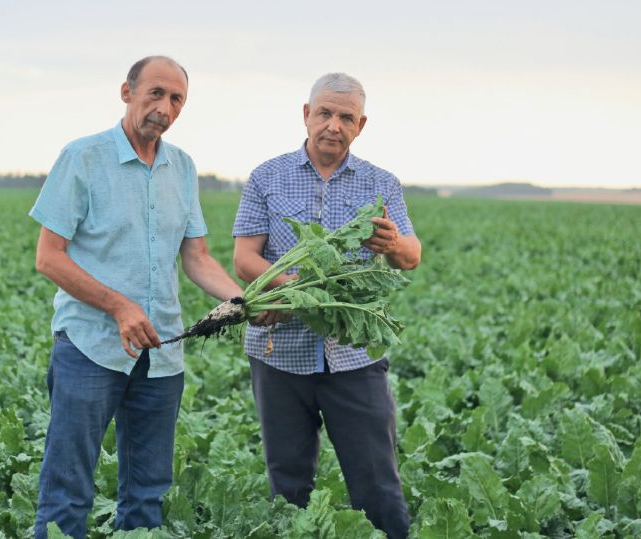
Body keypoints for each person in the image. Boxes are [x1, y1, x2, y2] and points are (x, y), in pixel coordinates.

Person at [29, 56, 258, 539]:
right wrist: (118, 306)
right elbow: (49, 258)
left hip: (161, 355)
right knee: (68, 490)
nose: (165, 108)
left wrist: (245, 301)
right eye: (155, 93)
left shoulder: (183, 167)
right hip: (91, 348)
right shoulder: (83, 158)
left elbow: (197, 258)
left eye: (177, 99)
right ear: (126, 92)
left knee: (149, 494)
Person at [231, 72, 422, 539]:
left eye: (346, 117)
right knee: (288, 483)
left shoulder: (382, 183)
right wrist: (296, 289)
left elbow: (411, 256)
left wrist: (393, 242)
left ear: (361, 125)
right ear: (306, 115)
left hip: (354, 355)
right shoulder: (267, 177)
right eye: (325, 113)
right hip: (279, 352)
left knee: (377, 483)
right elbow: (244, 258)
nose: (334, 125)